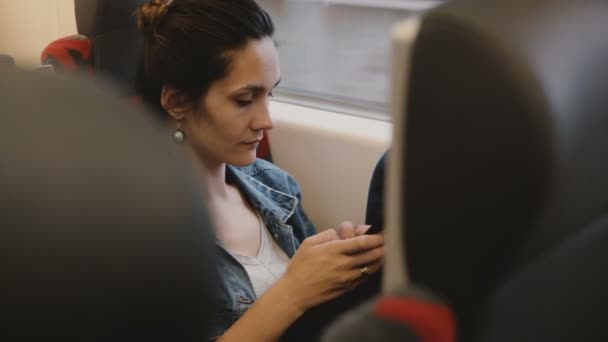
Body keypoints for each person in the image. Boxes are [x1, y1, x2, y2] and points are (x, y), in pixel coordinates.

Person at [135, 0, 385, 341]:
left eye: (270, 94)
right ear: (177, 101)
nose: (266, 121)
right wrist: (292, 292)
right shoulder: (141, 234)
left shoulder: (275, 186)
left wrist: (335, 264)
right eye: (244, 100)